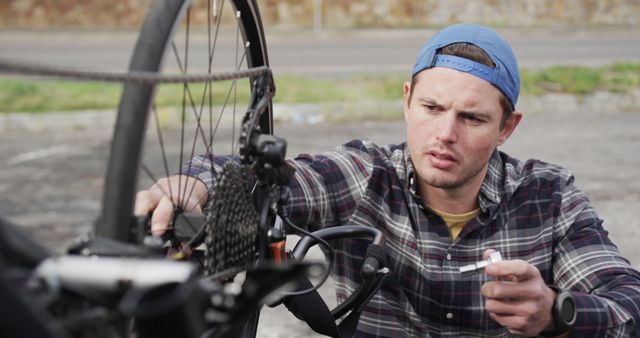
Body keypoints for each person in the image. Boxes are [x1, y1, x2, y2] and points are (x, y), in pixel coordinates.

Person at [135, 23, 640, 337]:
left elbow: (627, 305)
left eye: (472, 118)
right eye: (431, 107)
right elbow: (274, 179)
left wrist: (557, 313)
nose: (444, 134)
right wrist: (195, 181)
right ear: (406, 101)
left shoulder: (548, 197)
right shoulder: (365, 175)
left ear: (507, 127)